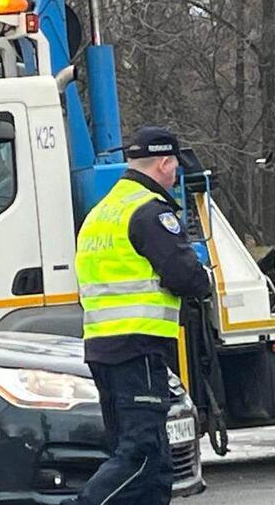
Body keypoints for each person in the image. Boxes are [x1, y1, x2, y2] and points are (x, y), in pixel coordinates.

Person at [67, 126, 211, 505]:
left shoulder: (101, 213)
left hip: (103, 348)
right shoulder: (149, 211)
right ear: (165, 163)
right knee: (142, 453)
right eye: (175, 166)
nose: (176, 175)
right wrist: (204, 280)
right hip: (138, 348)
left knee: (154, 463)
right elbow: (185, 275)